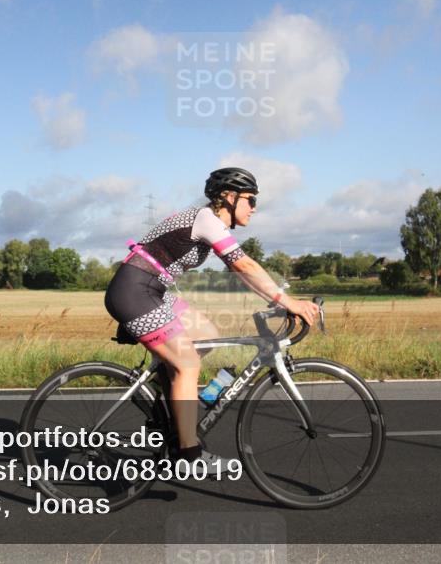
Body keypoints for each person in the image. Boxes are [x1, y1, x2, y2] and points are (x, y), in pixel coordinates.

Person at [104, 167, 320, 464]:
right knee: (187, 362)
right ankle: (190, 455)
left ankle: (167, 411)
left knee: (206, 336)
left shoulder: (207, 220)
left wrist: (277, 298)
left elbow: (240, 271)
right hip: (135, 291)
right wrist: (288, 302)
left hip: (152, 290)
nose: (254, 209)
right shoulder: (208, 220)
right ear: (229, 197)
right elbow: (244, 265)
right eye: (251, 200)